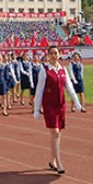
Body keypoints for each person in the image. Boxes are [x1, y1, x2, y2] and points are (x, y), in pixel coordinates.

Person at [33, 46, 80, 175]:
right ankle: (59, 163)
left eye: (56, 53)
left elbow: (69, 88)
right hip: (49, 106)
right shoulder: (45, 70)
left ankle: (52, 160)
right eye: (52, 53)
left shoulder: (63, 69)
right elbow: (39, 89)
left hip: (61, 105)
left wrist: (77, 102)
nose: (54, 55)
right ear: (48, 55)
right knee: (55, 132)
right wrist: (36, 109)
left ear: (59, 54)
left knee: (57, 134)